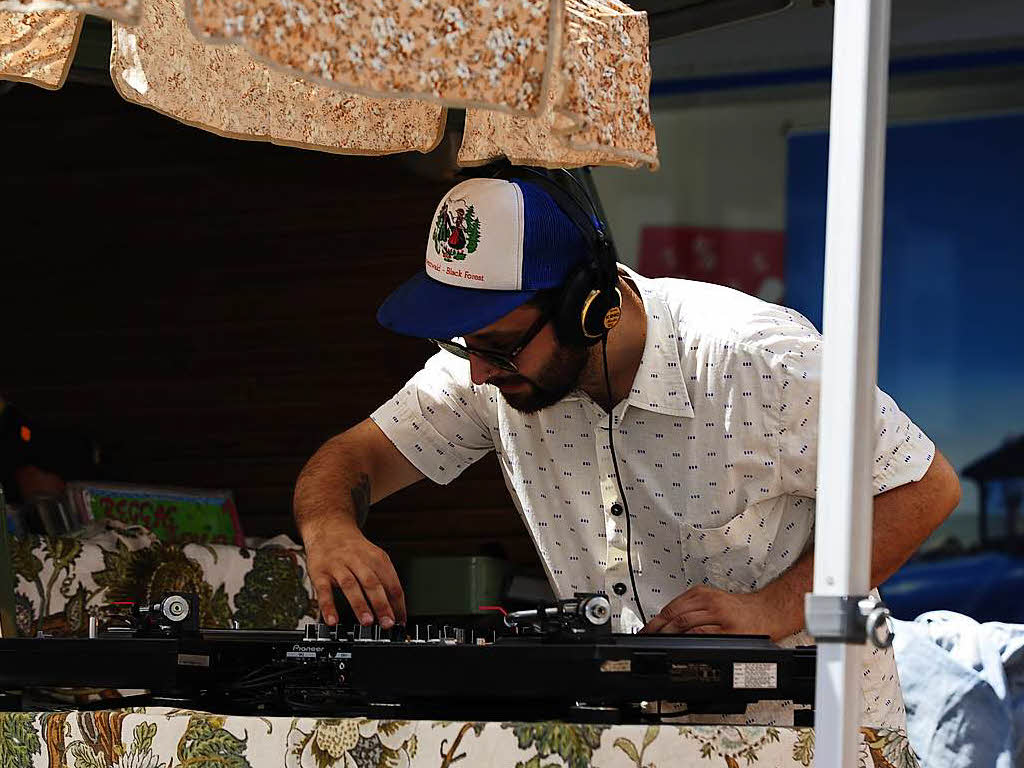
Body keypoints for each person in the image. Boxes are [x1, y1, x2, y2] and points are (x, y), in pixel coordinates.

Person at [293, 172, 961, 727]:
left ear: (591, 305)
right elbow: (349, 459)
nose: (478, 373)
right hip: (640, 730)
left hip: (806, 730)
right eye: (459, 345)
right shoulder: (487, 370)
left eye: (498, 344)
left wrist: (776, 606)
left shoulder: (758, 359)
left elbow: (924, 487)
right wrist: (329, 526)